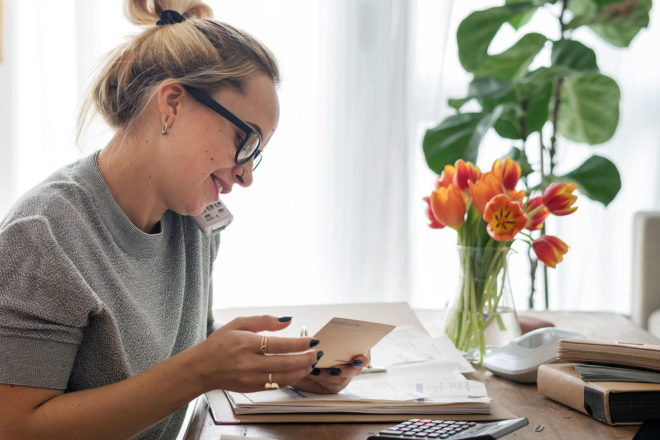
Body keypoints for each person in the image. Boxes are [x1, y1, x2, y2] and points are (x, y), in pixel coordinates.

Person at [0, 1, 368, 439]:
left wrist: (281, 370)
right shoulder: (44, 237)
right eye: (244, 140)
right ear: (172, 104)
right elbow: (16, 427)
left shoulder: (194, 221)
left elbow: (179, 348)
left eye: (257, 154)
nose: (246, 175)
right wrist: (200, 371)